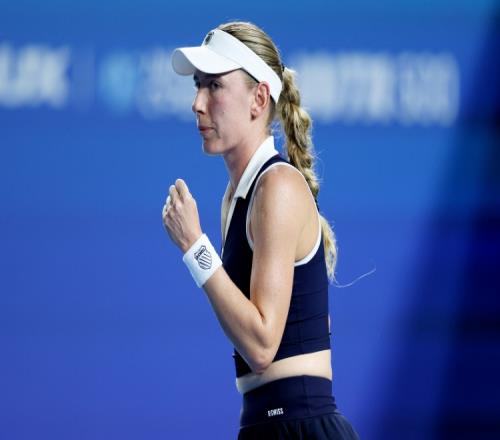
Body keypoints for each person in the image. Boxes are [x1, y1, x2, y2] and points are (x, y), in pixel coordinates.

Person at [162, 21, 360, 439]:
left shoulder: (278, 186)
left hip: (302, 427)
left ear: (258, 98)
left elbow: (261, 345)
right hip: (264, 424)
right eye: (198, 86)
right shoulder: (236, 197)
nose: (197, 103)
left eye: (214, 86)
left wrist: (195, 247)